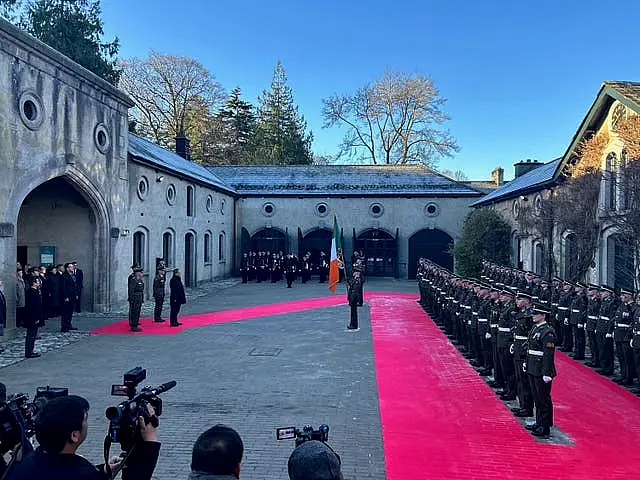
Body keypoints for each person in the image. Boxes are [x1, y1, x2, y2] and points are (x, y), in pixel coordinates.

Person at [5, 395, 160, 480]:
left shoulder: (26, 461)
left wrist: (103, 470)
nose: (87, 423)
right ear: (74, 435)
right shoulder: (85, 476)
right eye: (85, 419)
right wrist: (150, 441)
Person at [525, 305, 557, 438]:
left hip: (540, 369)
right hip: (533, 366)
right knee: (537, 397)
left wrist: (547, 372)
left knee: (543, 398)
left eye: (536, 314)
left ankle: (545, 426)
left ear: (543, 316)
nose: (533, 316)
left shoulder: (547, 332)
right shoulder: (536, 328)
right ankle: (539, 422)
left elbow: (548, 354)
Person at [23, 275, 44, 358]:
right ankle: (29, 352)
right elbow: (33, 307)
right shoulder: (32, 292)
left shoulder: (34, 291)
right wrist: (36, 318)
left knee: (32, 335)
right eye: (37, 281)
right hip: (32, 317)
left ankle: (30, 351)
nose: (39, 283)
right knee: (31, 335)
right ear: (34, 283)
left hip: (33, 316)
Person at [60, 263, 78, 332]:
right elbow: (63, 287)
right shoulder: (64, 276)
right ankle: (64, 327)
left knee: (70, 312)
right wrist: (65, 296)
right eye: (70, 267)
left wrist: (76, 294)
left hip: (72, 296)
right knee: (65, 312)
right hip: (67, 296)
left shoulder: (73, 275)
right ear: (67, 268)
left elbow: (75, 286)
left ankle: (69, 325)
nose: (72, 268)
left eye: (72, 267)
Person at [128, 267, 145, 332]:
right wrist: (131, 300)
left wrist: (142, 298)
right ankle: (133, 326)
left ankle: (135, 324)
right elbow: (131, 291)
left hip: (139, 298)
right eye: (140, 272)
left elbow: (141, 290)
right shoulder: (133, 280)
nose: (141, 274)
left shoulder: (140, 280)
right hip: (135, 299)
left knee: (137, 312)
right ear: (137, 273)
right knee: (134, 312)